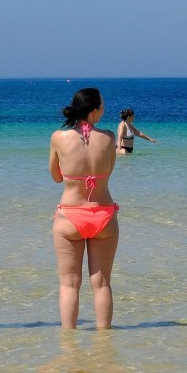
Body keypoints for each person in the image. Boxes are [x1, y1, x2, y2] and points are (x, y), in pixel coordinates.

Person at [49, 88, 118, 329]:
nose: (104, 109)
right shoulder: (110, 138)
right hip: (104, 214)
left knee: (69, 284)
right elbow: (108, 171)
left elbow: (56, 176)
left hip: (70, 215)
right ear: (94, 111)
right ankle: (104, 344)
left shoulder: (59, 137)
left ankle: (69, 345)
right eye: (103, 105)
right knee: (101, 283)